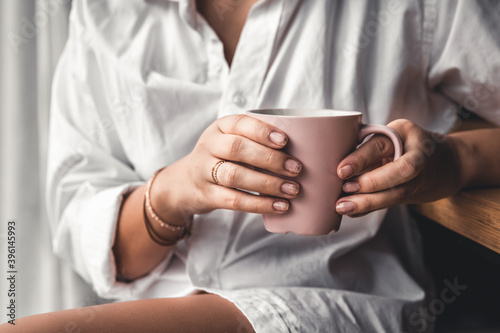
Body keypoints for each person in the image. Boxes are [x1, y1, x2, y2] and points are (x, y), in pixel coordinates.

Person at [3, 0, 500, 332]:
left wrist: (454, 159)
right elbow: (89, 233)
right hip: (153, 306)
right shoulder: (106, 13)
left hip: (330, 301)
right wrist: (172, 193)